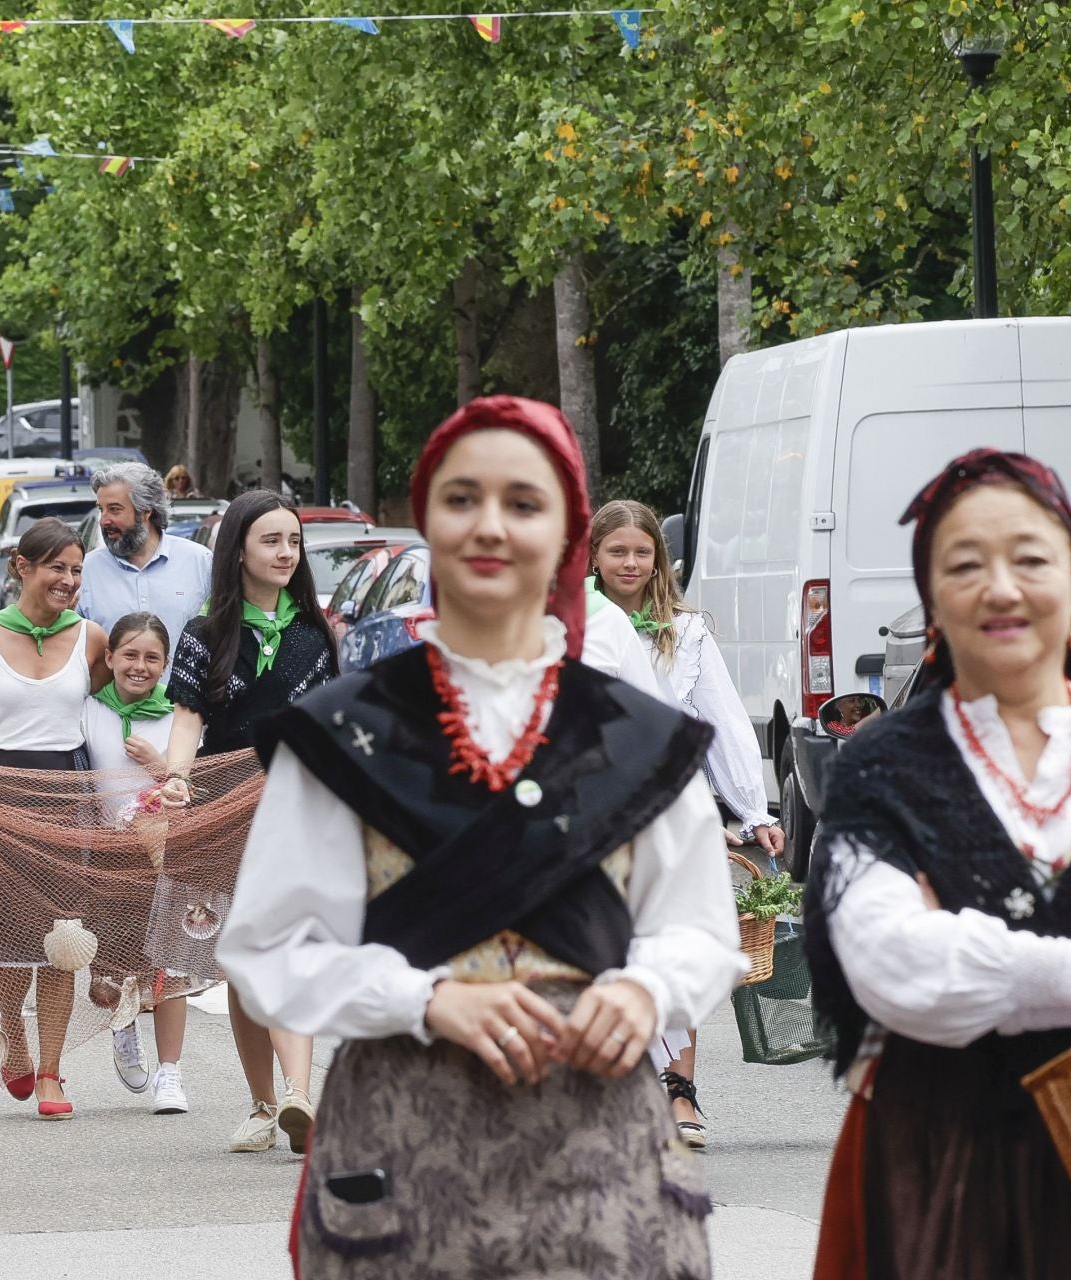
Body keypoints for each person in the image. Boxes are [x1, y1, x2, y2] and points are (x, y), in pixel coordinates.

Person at [218, 396, 744, 1278]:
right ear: (426, 518)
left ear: (567, 528)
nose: (491, 526)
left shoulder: (634, 737)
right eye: (462, 498)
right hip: (404, 1134)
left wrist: (646, 991)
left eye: (524, 503)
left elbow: (702, 931)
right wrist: (422, 999)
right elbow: (267, 945)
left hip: (598, 1140)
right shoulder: (350, 734)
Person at [806, 449, 1071, 1280]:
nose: (1001, 588)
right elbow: (903, 972)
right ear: (930, 603)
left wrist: (974, 940)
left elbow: (948, 955)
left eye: (1030, 558)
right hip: (944, 1168)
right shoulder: (884, 766)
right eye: (965, 564)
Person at [590, 497, 784, 1149]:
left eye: (641, 551)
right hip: (596, 809)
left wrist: (753, 809)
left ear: (659, 558)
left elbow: (723, 719)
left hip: (675, 807)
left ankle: (679, 1092)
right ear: (594, 555)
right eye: (617, 551)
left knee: (676, 943)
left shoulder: (686, 629)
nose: (630, 562)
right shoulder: (572, 625)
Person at [157, 489, 338, 1154]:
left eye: (293, 541)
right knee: (242, 959)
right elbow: (187, 721)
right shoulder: (204, 637)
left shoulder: (315, 637)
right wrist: (176, 777)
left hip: (298, 812)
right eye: (272, 540)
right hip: (222, 813)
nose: (286, 553)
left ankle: (298, 1095)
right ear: (238, 551)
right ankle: (265, 1101)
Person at [0, 517, 110, 1119]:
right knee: (9, 938)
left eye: (76, 571)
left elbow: (118, 714)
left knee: (64, 937)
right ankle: (14, 1040)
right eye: (56, 568)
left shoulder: (92, 637)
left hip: (66, 799)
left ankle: (53, 1073)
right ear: (22, 568)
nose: (67, 581)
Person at [83, 611, 193, 1115]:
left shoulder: (179, 716)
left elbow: (194, 785)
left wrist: (160, 766)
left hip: (167, 855)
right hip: (110, 853)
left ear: (167, 664)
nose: (139, 666)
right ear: (109, 658)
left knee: (170, 964)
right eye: (129, 655)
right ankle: (124, 1031)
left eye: (152, 658)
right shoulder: (89, 711)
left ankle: (170, 1073)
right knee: (114, 965)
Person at [78, 461, 213, 653]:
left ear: (145, 511)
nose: (104, 520)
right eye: (101, 509)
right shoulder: (85, 571)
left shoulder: (201, 562)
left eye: (115, 509)